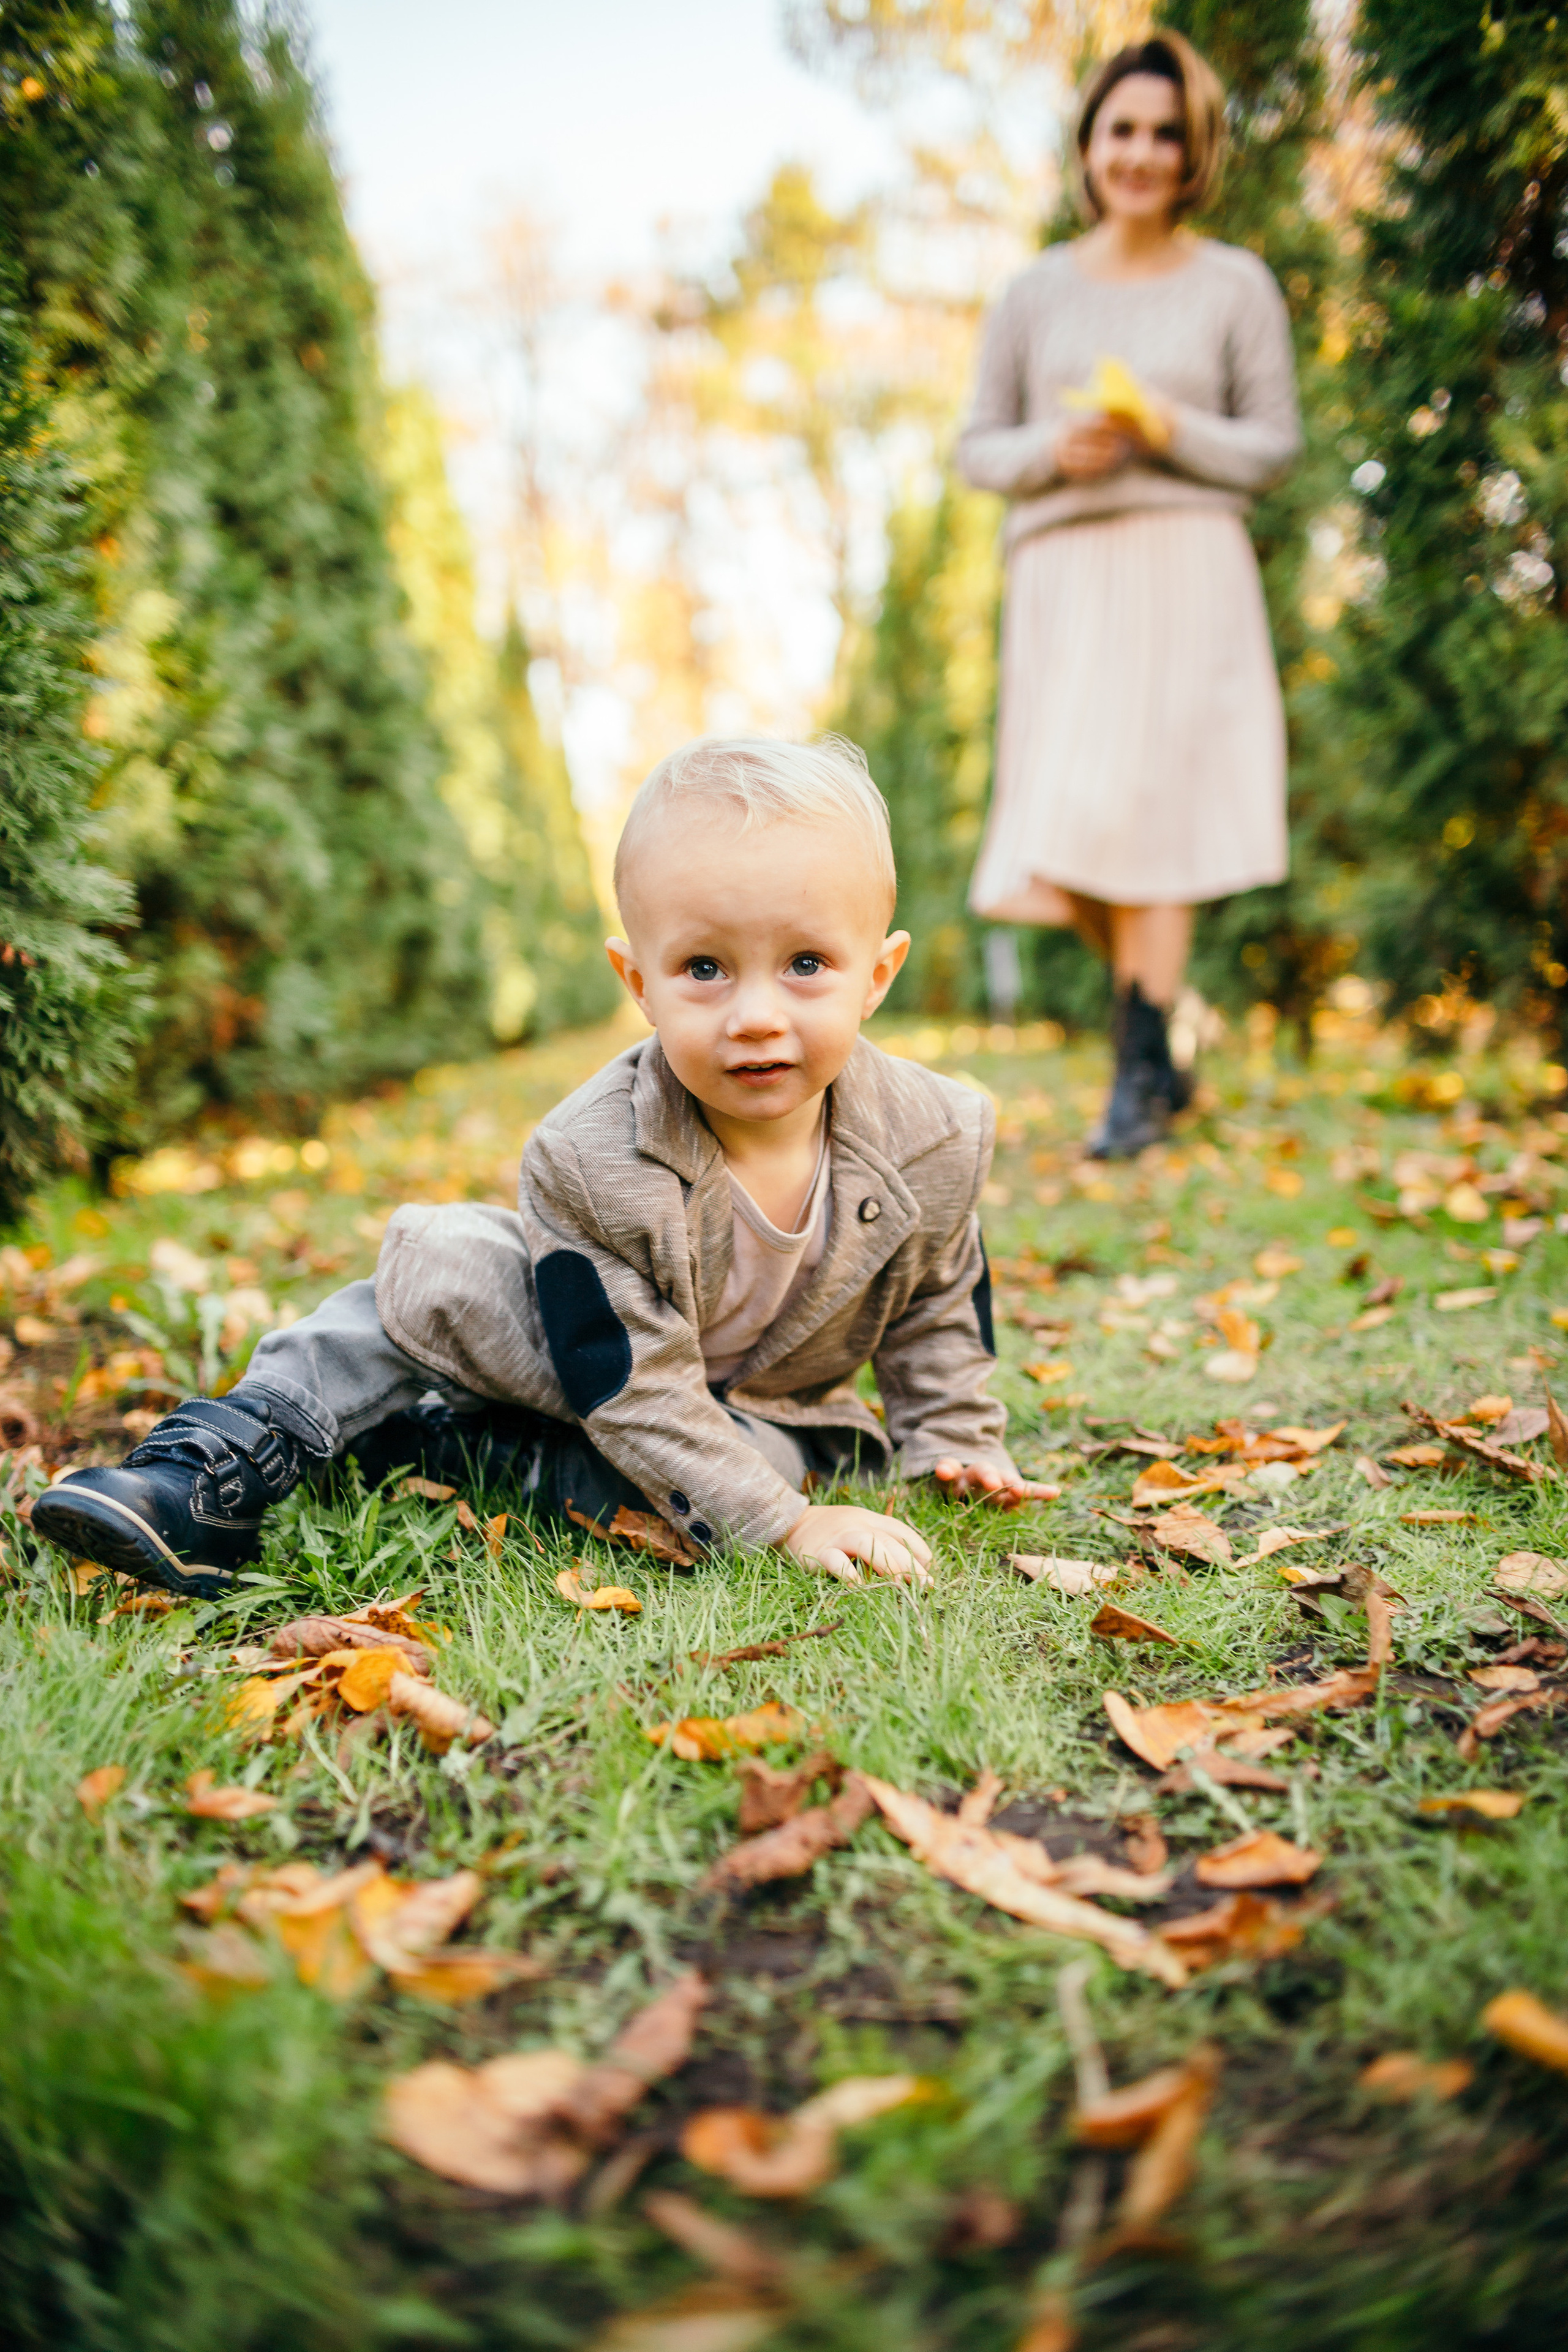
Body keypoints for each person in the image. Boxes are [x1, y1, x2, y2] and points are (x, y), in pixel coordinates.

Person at [37, 736, 1054, 1599]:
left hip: (758, 1409)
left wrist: (955, 1440)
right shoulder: (592, 1154)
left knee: (766, 1469)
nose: (755, 1015)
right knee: (447, 1264)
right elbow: (632, 1382)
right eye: (704, 968)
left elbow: (938, 1301)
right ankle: (221, 1462)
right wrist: (784, 1526)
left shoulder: (935, 1135)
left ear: (877, 974)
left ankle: (469, 1452)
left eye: (806, 965)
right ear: (638, 980)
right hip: (595, 1359)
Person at [957, 30, 1301, 1156]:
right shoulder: (1033, 291)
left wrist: (1166, 427)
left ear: (1193, 150)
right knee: (1061, 836)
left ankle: (1138, 1075)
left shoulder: (1235, 284)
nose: (1142, 153)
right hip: (1063, 574)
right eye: (1122, 131)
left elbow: (1273, 446)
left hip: (1187, 563)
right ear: (1088, 145)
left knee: (1158, 819)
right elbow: (977, 447)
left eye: (1165, 133)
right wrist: (1053, 449)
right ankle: (1166, 1019)